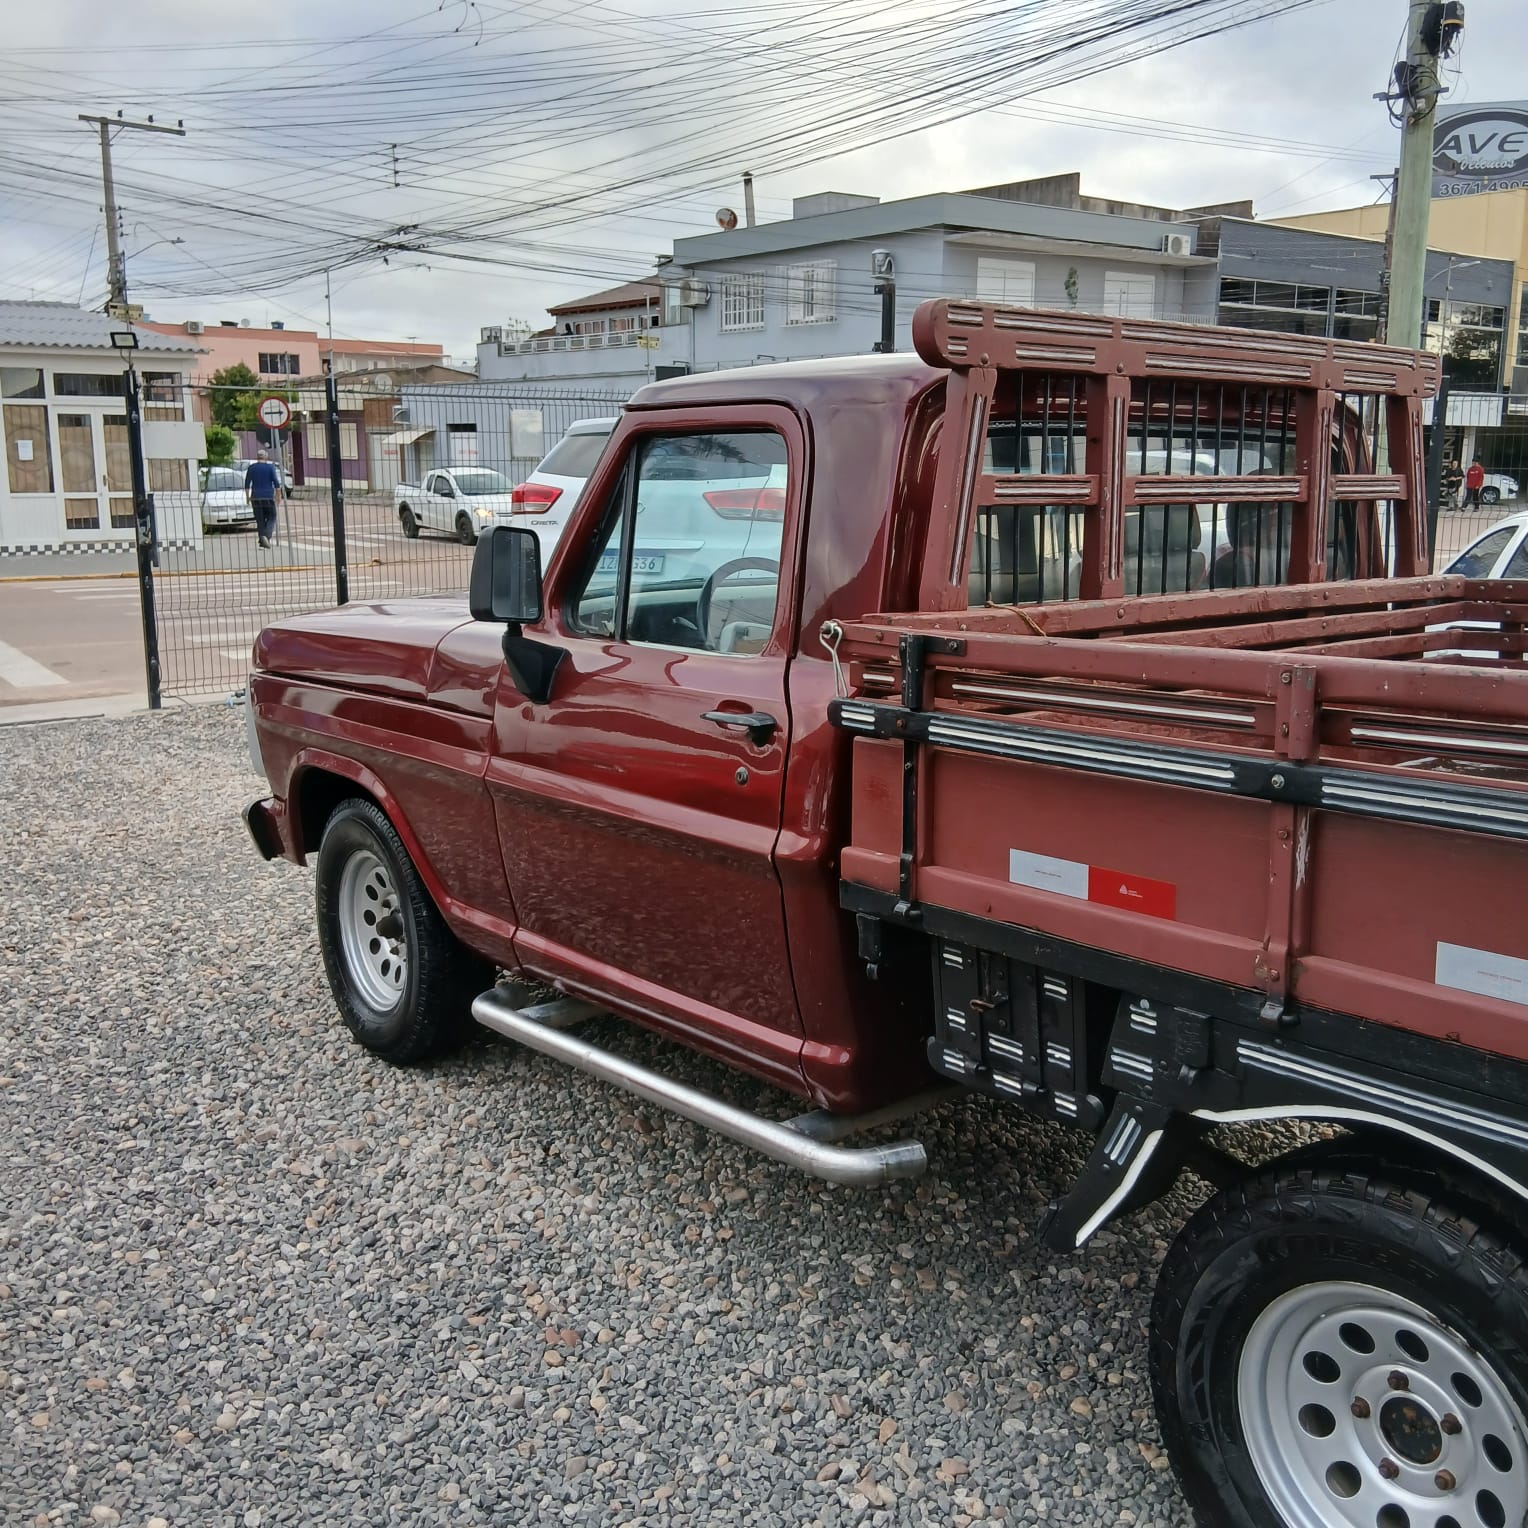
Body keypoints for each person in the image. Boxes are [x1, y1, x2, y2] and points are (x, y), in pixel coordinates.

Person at [244, 448, 285, 549]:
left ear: (257, 457)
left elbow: (247, 484)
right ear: (265, 457)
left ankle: (262, 541)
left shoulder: (251, 468)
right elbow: (276, 483)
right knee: (272, 516)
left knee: (260, 519)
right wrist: (278, 497)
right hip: (267, 497)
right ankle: (266, 536)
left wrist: (247, 497)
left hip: (255, 497)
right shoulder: (270, 467)